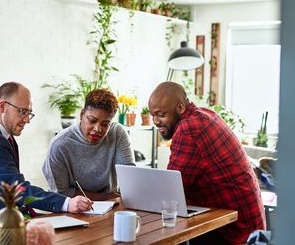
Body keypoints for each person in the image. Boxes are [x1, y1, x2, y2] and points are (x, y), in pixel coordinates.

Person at [0, 82, 92, 235]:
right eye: (22, 111)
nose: (27, 119)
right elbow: (18, 189)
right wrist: (67, 203)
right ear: (2, 106)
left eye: (29, 113)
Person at [148, 82, 266, 245]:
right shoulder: (205, 114)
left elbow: (172, 191)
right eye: (152, 115)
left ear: (180, 107)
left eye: (161, 114)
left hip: (234, 231)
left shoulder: (188, 128)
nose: (155, 121)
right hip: (250, 225)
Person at [42, 89, 135, 200]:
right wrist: (105, 197)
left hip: (111, 204)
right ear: (82, 114)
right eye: (92, 120)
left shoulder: (117, 133)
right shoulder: (59, 145)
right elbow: (61, 193)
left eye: (105, 124)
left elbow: (129, 177)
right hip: (73, 208)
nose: (97, 129)